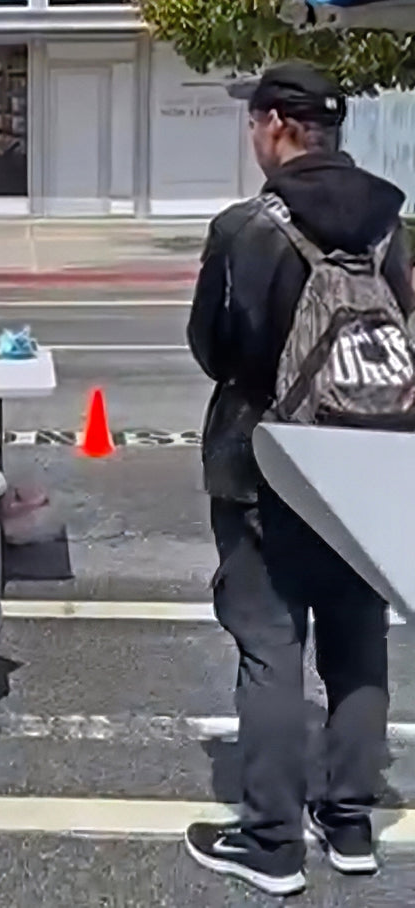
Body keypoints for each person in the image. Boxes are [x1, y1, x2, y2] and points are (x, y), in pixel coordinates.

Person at [185, 62, 414, 896]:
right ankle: (349, 823)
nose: (253, 138)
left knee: (271, 650)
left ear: (277, 124)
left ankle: (272, 841)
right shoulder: (390, 222)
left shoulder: (247, 227)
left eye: (253, 124)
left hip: (266, 463)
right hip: (368, 464)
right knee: (357, 644)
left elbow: (213, 347)